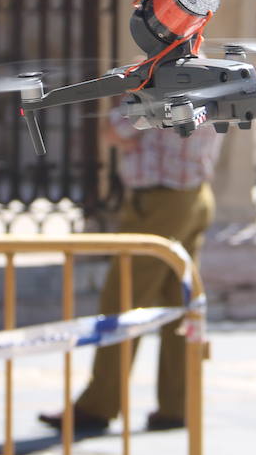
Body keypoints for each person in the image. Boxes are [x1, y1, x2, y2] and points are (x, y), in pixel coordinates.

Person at [38, 99, 221, 434]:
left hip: (160, 202)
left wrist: (131, 89)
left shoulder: (161, 78)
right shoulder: (211, 76)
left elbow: (115, 130)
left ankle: (99, 405)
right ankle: (178, 404)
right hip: (193, 194)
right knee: (178, 303)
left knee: (122, 299)